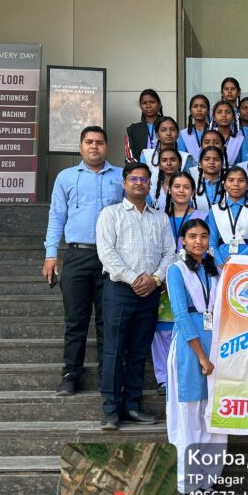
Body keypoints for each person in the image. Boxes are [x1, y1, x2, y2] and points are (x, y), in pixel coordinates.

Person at [95, 161, 175, 430]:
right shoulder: (110, 214)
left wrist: (155, 279)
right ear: (124, 183)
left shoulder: (160, 218)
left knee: (139, 351)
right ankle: (111, 409)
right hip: (120, 290)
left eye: (144, 179)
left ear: (150, 185)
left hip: (150, 292)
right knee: (115, 350)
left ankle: (132, 405)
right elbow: (106, 253)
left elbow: (169, 253)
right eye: (134, 179)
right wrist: (134, 279)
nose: (139, 183)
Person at [44, 126, 123, 396]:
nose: (94, 146)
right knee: (75, 320)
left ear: (106, 147)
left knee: (108, 320)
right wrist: (51, 254)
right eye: (89, 142)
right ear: (80, 147)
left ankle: (107, 375)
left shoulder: (121, 177)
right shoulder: (66, 177)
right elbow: (57, 215)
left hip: (111, 257)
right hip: (77, 255)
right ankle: (70, 374)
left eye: (99, 142)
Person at [165, 218, 228, 495]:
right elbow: (180, 315)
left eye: (203, 236)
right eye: (192, 236)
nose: (198, 241)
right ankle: (188, 482)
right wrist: (202, 356)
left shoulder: (215, 270)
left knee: (213, 414)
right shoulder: (176, 270)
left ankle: (208, 478)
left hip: (216, 342)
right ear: (183, 240)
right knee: (189, 415)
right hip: (190, 348)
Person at [153, 173, 208, 398]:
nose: (181, 190)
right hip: (163, 275)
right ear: (169, 190)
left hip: (191, 274)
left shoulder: (202, 217)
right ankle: (163, 377)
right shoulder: (160, 217)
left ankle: (184, 372)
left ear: (193, 191)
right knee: (161, 329)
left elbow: (208, 244)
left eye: (186, 186)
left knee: (184, 320)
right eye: (177, 186)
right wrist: (160, 275)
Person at [207, 166, 248, 266]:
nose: (235, 184)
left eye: (241, 180)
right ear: (224, 184)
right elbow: (212, 243)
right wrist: (221, 263)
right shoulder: (215, 210)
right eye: (231, 180)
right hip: (222, 262)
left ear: (247, 185)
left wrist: (237, 260)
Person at [125, 89, 164, 162]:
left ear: (159, 104)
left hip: (166, 167)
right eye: (144, 103)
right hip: (140, 168)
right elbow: (130, 157)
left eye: (152, 102)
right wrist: (140, 168)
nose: (148, 106)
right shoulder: (133, 129)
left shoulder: (168, 126)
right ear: (140, 106)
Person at [179, 94, 210, 163]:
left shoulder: (214, 131)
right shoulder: (184, 134)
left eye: (203, 106)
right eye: (195, 106)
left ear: (208, 110)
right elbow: (182, 157)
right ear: (190, 110)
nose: (199, 109)